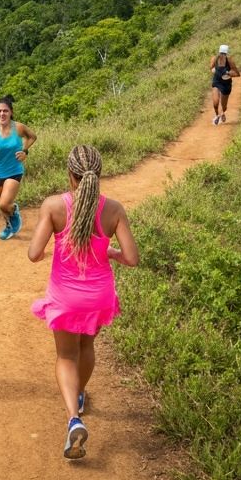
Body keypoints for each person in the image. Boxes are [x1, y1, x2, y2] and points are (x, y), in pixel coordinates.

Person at [28, 144, 139, 460]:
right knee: (86, 349)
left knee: (65, 356)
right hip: (99, 297)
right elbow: (132, 257)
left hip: (66, 298)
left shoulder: (54, 206)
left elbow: (34, 254)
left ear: (70, 174)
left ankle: (73, 418)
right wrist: (112, 252)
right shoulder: (114, 209)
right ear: (98, 175)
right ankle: (78, 396)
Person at [0, 94, 37, 240]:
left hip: (14, 170)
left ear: (11, 112)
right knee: (1, 205)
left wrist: (24, 151)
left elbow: (32, 137)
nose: (2, 114)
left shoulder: (18, 128)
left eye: (5, 111)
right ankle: (8, 227)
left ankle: (14, 211)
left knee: (5, 203)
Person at [209, 43, 241, 124]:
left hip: (226, 84)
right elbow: (211, 67)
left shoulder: (230, 61)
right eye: (221, 53)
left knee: (224, 107)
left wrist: (228, 73)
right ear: (219, 53)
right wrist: (214, 70)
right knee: (215, 103)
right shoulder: (214, 59)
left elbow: (237, 73)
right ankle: (218, 115)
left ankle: (222, 112)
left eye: (224, 54)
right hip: (217, 82)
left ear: (226, 54)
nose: (222, 55)